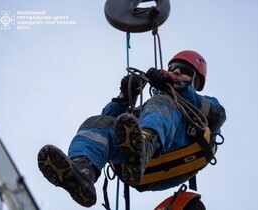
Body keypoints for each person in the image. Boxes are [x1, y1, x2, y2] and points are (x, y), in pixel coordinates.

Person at [37, 50, 226, 208]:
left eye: (183, 70)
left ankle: (144, 147)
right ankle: (83, 171)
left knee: (162, 103)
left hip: (180, 146)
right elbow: (107, 121)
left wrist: (179, 87)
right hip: (137, 168)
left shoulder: (198, 104)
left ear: (196, 80)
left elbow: (217, 116)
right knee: (97, 122)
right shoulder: (150, 110)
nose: (175, 71)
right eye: (171, 68)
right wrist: (125, 96)